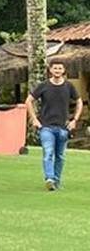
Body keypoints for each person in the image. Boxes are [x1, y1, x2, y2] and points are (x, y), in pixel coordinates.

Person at [25, 59, 83, 191]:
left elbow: (79, 101)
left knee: (60, 156)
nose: (57, 70)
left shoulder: (69, 86)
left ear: (64, 70)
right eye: (55, 68)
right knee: (48, 153)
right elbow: (28, 101)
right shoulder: (43, 85)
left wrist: (75, 120)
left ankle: (56, 182)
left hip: (63, 128)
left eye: (60, 68)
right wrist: (34, 119)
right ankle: (49, 179)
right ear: (50, 70)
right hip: (46, 127)